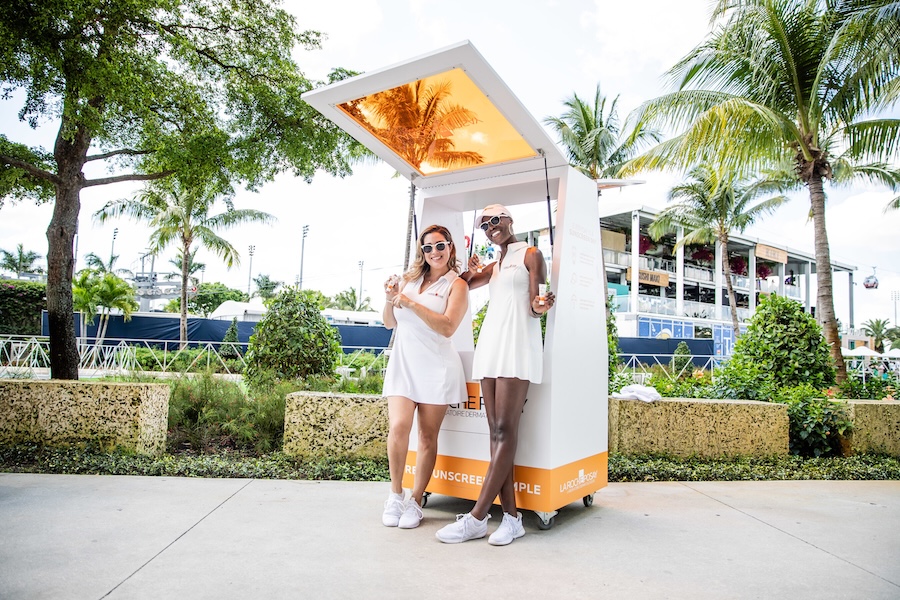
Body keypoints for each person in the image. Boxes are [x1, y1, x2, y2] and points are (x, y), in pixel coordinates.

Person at [435, 204, 555, 546]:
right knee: (495, 433)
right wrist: (466, 267)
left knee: (504, 430)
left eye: (494, 220)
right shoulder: (497, 263)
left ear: (509, 220)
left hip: (518, 345)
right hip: (491, 345)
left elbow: (535, 305)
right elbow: (463, 283)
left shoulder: (531, 254)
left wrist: (542, 306)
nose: (490, 227)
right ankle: (513, 518)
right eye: (484, 224)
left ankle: (477, 517)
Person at [381, 224, 469, 529]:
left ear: (450, 247)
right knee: (398, 427)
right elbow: (390, 322)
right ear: (422, 251)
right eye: (428, 247)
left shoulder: (456, 285)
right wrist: (391, 297)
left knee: (427, 436)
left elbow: (447, 326)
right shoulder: (408, 280)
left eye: (440, 245)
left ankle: (416, 501)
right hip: (404, 363)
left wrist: (410, 303)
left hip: (437, 367)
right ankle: (395, 494)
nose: (434, 252)